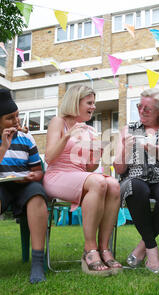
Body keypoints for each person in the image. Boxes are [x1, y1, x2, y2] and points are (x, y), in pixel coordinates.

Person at [0, 88, 48, 287]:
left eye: (17, 116)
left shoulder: (27, 138)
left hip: (22, 186)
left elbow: (38, 171)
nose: (16, 121)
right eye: (10, 118)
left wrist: (32, 176)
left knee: (37, 195)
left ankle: (38, 263)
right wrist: (3, 147)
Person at [43, 84, 122, 276]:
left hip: (80, 175)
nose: (93, 107)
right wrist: (68, 135)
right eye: (89, 102)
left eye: (94, 103)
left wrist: (97, 155)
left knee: (113, 184)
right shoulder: (58, 122)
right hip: (57, 175)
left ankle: (104, 248)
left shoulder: (89, 130)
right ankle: (89, 249)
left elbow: (88, 168)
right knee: (98, 182)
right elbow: (49, 157)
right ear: (75, 102)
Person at [113, 88, 159, 273]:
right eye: (139, 106)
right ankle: (152, 251)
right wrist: (125, 152)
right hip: (135, 179)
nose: (141, 110)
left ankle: (141, 248)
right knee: (135, 187)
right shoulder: (128, 130)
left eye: (148, 108)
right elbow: (119, 169)